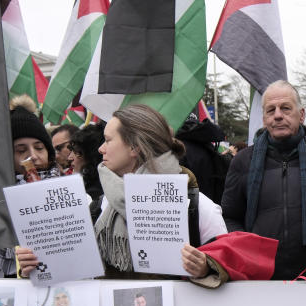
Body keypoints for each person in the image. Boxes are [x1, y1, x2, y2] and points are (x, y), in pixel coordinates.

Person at [17, 104, 227, 283]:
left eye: (108, 140)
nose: (100, 149)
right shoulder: (97, 207)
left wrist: (206, 269)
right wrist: (34, 265)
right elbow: (72, 273)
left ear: (134, 147)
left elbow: (229, 276)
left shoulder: (197, 207)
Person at [221, 81, 306, 279]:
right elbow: (230, 217)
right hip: (261, 275)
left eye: (286, 108)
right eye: (271, 110)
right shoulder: (243, 161)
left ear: (302, 114)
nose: (278, 115)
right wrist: (248, 249)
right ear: (264, 118)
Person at [0, 97, 63, 278]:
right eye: (21, 150)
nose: (33, 156)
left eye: (39, 147)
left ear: (49, 153)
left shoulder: (72, 195)